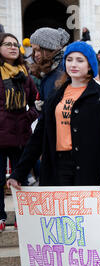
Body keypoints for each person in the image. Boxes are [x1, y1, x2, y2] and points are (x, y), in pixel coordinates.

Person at [7, 41, 100, 266]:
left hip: (90, 170)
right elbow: (37, 139)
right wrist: (18, 172)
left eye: (80, 60)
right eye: (70, 60)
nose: (73, 65)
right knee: (61, 229)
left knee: (86, 229)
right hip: (58, 168)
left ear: (90, 65)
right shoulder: (56, 96)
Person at [0, 33, 39, 233]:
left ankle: (22, 217)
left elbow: (35, 102)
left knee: (20, 178)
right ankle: (0, 216)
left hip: (20, 135)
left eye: (15, 44)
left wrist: (28, 117)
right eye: (7, 44)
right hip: (1, 134)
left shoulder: (25, 73)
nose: (13, 47)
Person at [29, 27, 70, 102]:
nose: (35, 55)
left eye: (38, 50)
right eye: (34, 51)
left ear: (50, 48)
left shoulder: (63, 69)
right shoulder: (46, 68)